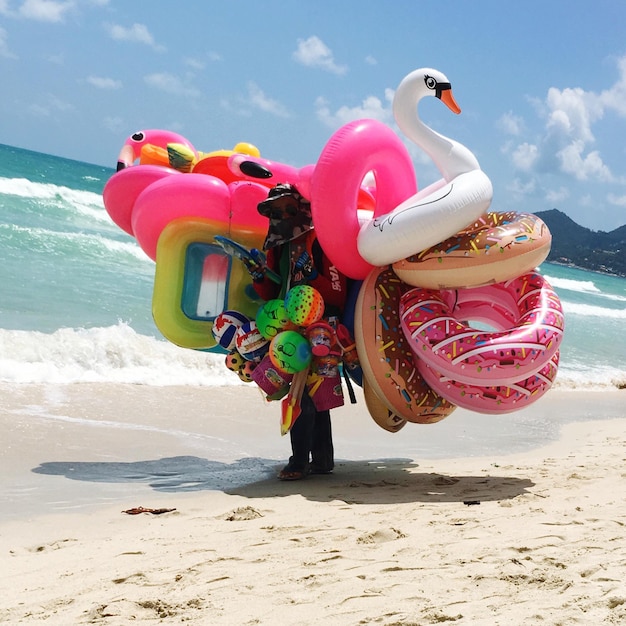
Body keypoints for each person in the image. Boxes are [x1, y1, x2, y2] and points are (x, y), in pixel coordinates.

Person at [250, 183, 348, 481]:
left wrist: (313, 276)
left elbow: (337, 293)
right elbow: (271, 292)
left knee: (307, 392)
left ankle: (299, 462)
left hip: (321, 328)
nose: (283, 215)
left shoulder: (319, 240)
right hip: (288, 328)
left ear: (302, 209)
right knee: (306, 393)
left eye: (288, 209)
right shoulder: (277, 246)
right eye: (276, 211)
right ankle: (321, 459)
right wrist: (258, 276)